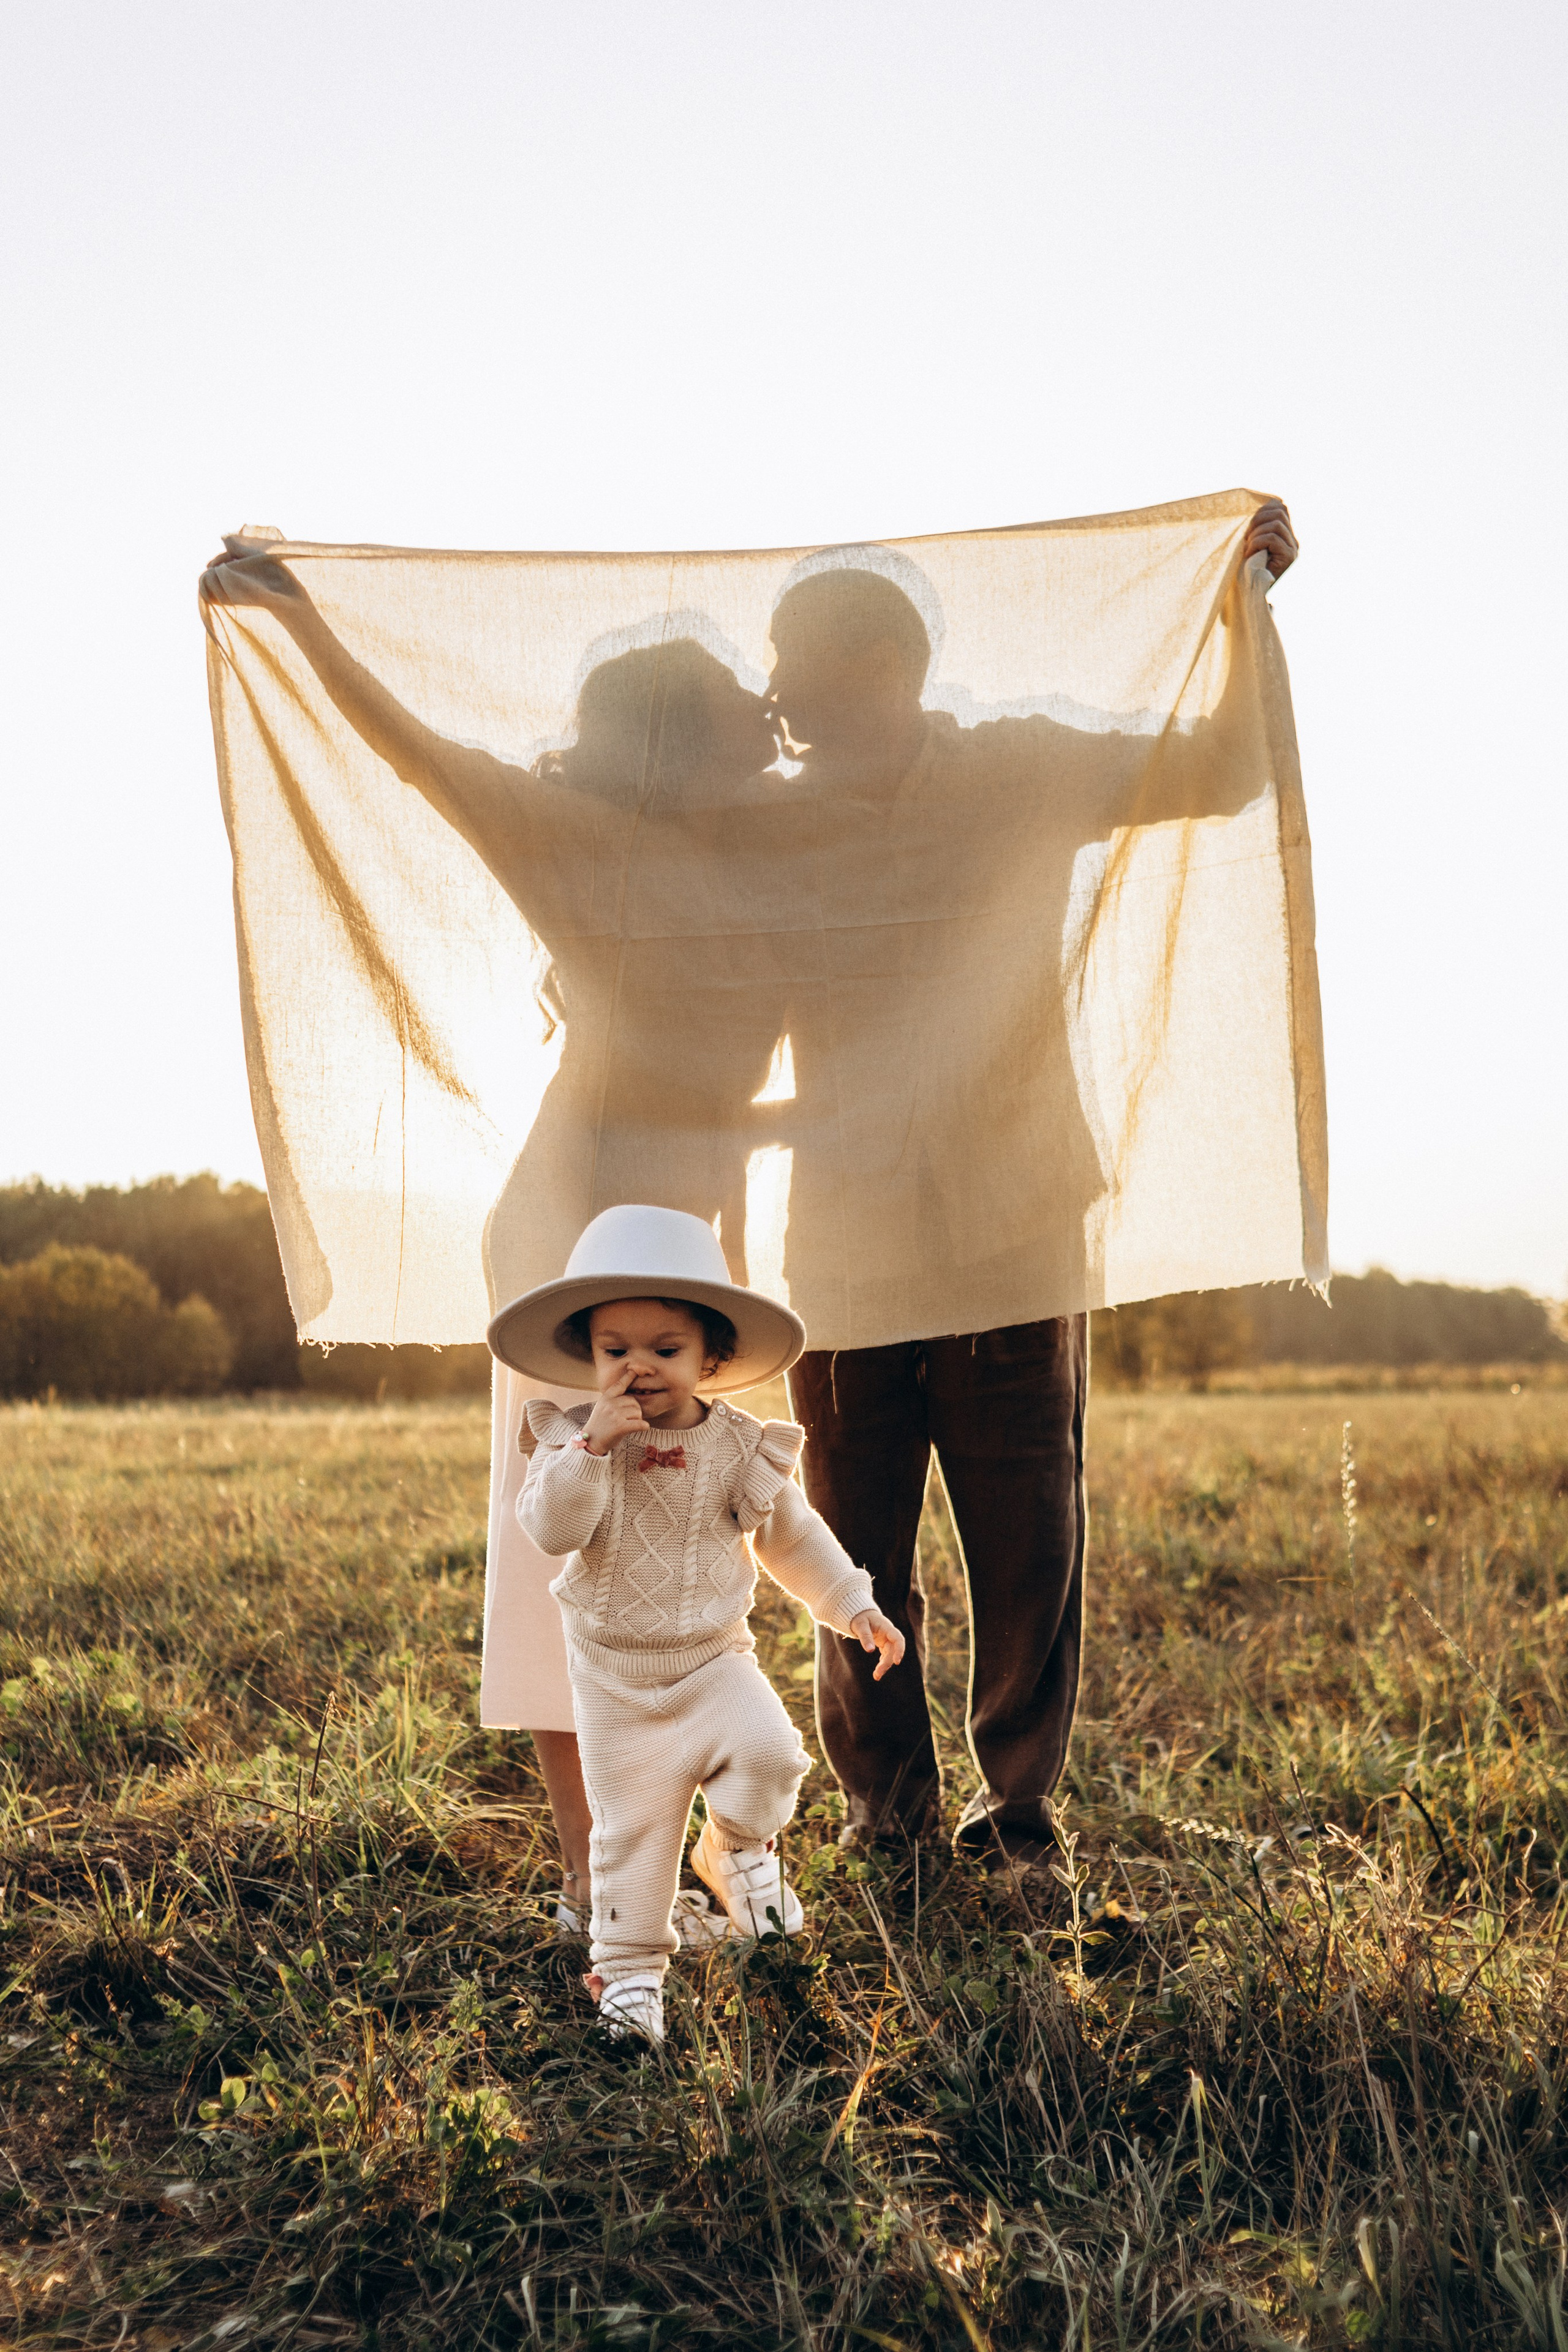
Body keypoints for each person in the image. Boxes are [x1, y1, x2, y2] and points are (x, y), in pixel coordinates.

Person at [763, 502, 1300, 1886]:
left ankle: (1015, 1829)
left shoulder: (1020, 771)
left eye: (800, 666)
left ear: (886, 670)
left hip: (1011, 1220)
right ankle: (885, 1822)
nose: (778, 696)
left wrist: (1240, 594)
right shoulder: (762, 828)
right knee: (850, 1549)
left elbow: (1224, 768)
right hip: (843, 1234)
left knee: (1026, 1548)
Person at [491, 1202, 904, 2040]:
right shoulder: (575, 1440)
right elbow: (552, 1530)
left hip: (715, 1660)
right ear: (588, 1355)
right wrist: (594, 1448)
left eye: (665, 1350)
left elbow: (793, 1537)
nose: (637, 1369)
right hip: (612, 1675)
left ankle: (735, 1849)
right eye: (615, 1352)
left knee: (770, 1755)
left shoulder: (737, 1448)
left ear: (712, 1357)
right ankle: (632, 1979)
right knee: (632, 1838)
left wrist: (852, 1603)